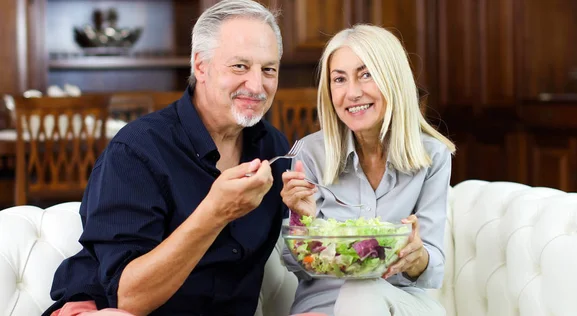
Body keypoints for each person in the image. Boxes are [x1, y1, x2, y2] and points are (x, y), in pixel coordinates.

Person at [44, 1, 291, 315]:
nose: (257, 86)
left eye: (268, 69)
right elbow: (128, 299)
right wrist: (214, 213)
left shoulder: (273, 147)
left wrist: (305, 215)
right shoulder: (137, 150)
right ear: (200, 66)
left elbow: (302, 249)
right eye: (240, 66)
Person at [281, 24, 456, 316]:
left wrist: (417, 257)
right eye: (339, 79)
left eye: (366, 74)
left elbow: (432, 268)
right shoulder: (310, 154)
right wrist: (304, 221)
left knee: (361, 290)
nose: (352, 92)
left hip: (399, 302)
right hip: (323, 306)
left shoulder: (432, 157)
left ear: (392, 79)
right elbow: (297, 265)